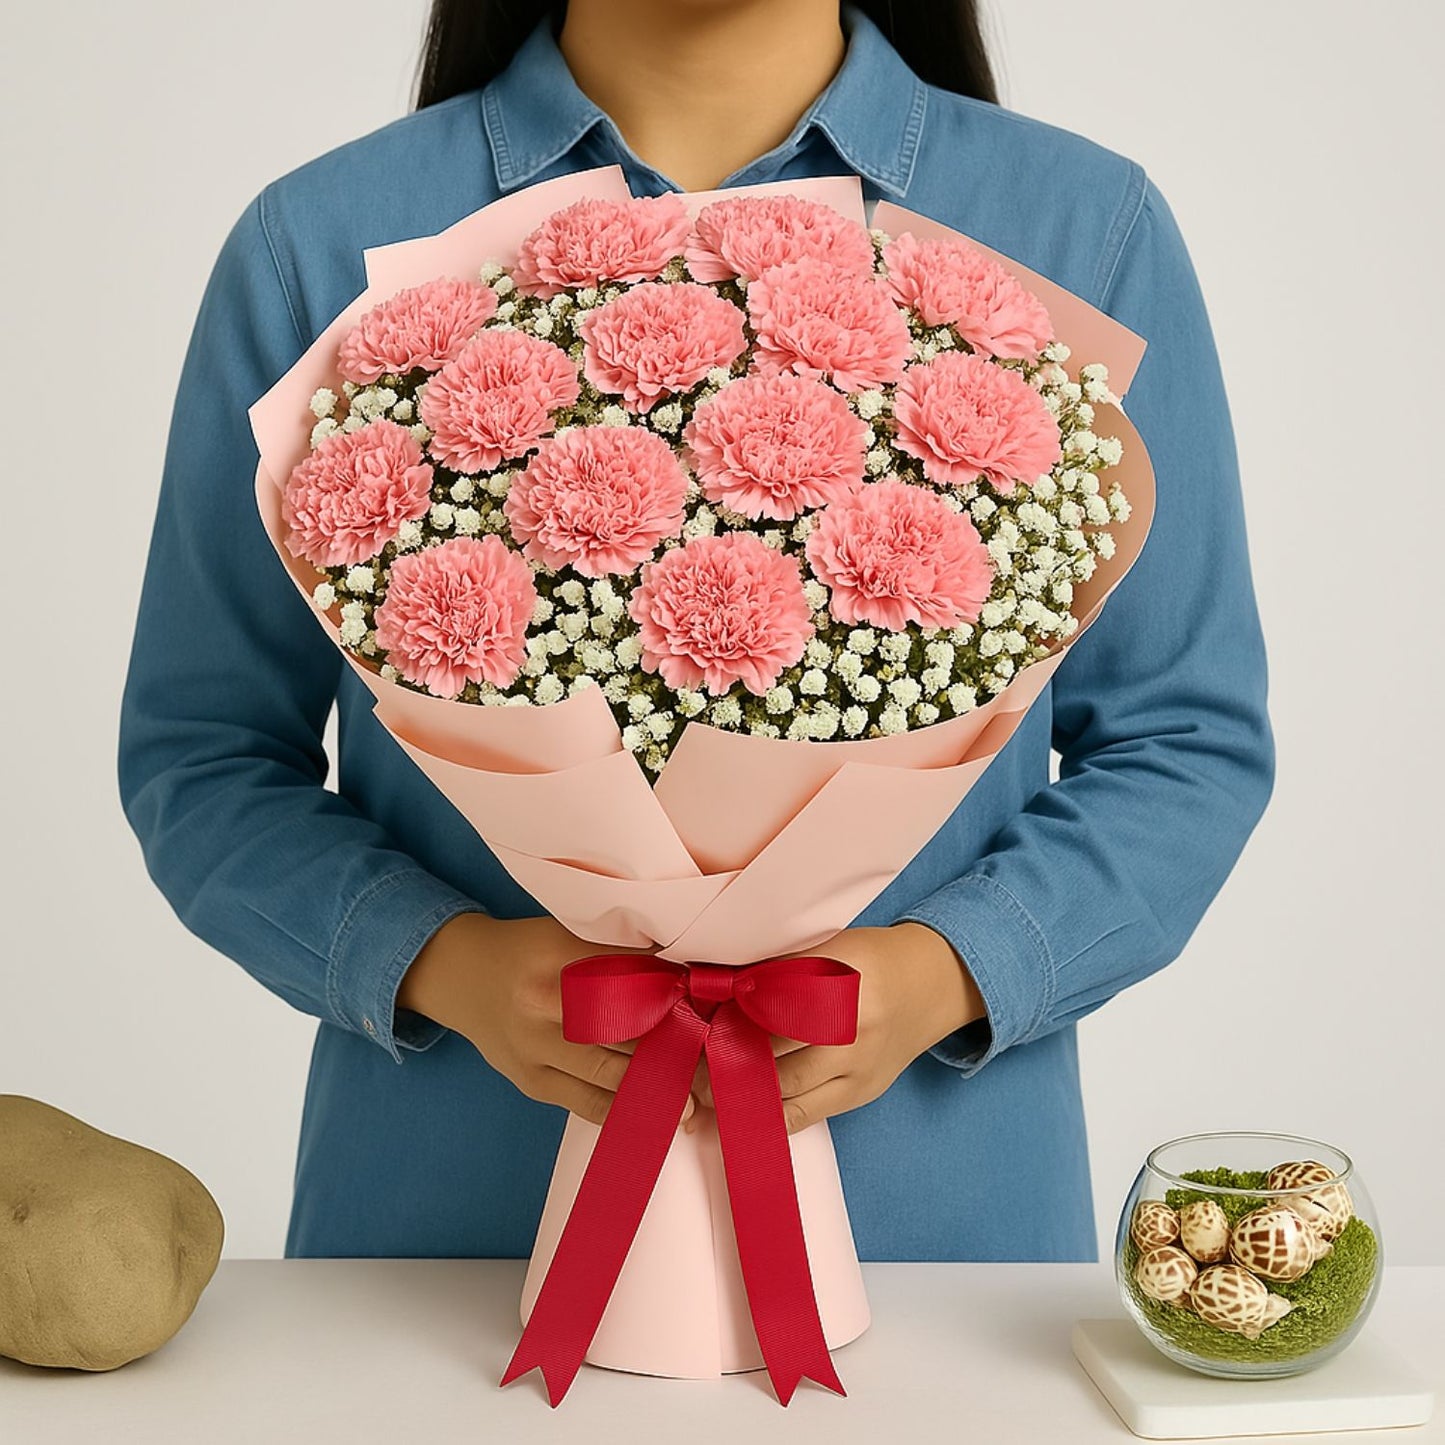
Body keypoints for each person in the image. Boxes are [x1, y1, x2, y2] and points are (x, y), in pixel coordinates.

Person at [117, 0, 1273, 1263]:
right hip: (442, 1229)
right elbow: (203, 754)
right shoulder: (317, 240)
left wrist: (945, 972)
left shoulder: (1080, 225)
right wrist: (444, 962)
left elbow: (1183, 741)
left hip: (939, 1235)